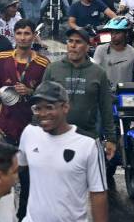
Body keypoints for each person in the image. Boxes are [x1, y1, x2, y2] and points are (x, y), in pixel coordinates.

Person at [19, 81, 108, 222]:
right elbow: (15, 169)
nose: (42, 114)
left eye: (49, 107)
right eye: (37, 108)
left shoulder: (88, 144)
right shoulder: (29, 133)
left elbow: (98, 193)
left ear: (65, 107)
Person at [42, 27, 116, 160]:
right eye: (70, 41)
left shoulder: (98, 73)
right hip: (55, 136)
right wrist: (37, 131)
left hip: (87, 138)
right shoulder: (53, 69)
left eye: (78, 42)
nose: (73, 45)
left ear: (87, 47)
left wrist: (111, 138)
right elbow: (41, 102)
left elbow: (106, 107)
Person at [93, 17, 134, 159]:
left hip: (126, 95)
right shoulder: (101, 50)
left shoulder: (133, 52)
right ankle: (95, 149)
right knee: (98, 122)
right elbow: (95, 71)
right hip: (106, 95)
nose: (113, 35)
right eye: (112, 32)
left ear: (126, 34)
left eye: (117, 32)